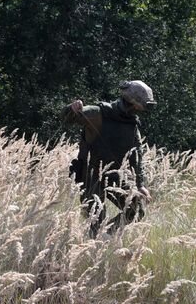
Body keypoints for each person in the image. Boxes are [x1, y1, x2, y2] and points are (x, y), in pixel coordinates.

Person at [65, 80, 155, 236]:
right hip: (90, 177)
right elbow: (68, 118)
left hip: (114, 176)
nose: (139, 110)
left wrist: (141, 185)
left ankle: (105, 236)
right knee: (96, 219)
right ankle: (97, 239)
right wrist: (72, 109)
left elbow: (137, 156)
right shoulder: (98, 113)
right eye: (138, 106)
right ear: (132, 103)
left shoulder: (131, 124)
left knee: (136, 210)